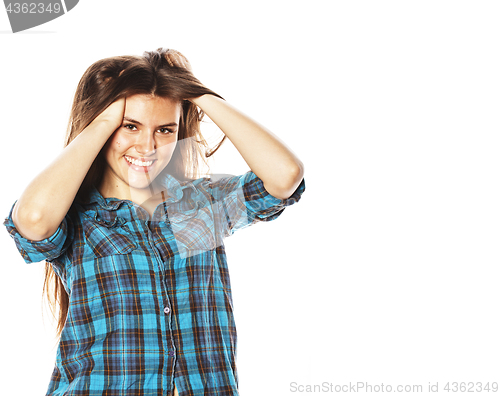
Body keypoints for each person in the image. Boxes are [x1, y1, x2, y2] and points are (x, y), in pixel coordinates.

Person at [4, 48, 305, 396]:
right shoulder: (75, 216)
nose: (147, 146)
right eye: (130, 126)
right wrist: (105, 118)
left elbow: (285, 177)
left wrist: (196, 93)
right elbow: (33, 220)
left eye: (164, 130)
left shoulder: (202, 203)